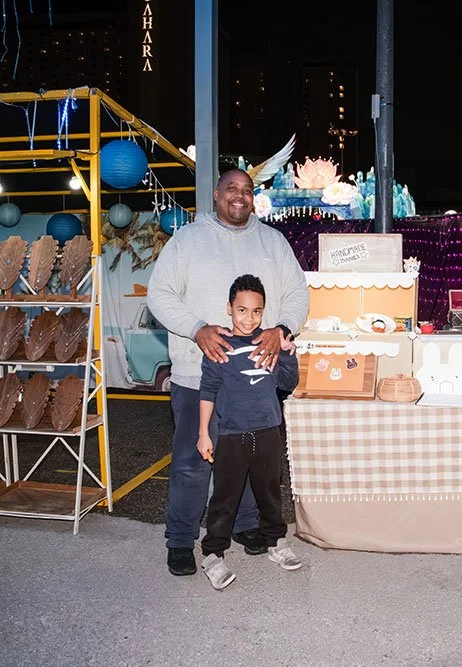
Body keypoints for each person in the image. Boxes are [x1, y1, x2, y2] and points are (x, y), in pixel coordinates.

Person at [148, 169, 309, 576]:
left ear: (254, 199)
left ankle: (246, 525)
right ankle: (181, 541)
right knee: (193, 462)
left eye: (247, 191)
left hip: (256, 378)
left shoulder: (273, 242)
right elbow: (158, 294)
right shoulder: (187, 240)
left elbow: (297, 295)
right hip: (198, 375)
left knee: (251, 459)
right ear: (217, 194)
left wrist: (280, 329)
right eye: (232, 189)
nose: (240, 196)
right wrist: (196, 328)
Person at [197, 274, 303, 590]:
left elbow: (287, 385)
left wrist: (287, 354)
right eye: (242, 310)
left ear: (263, 312)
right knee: (223, 499)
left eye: (256, 311)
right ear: (229, 308)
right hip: (231, 435)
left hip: (268, 432)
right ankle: (213, 555)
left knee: (270, 493)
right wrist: (204, 432)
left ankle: (277, 543)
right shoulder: (221, 347)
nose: (249, 318)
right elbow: (208, 390)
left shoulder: (268, 344)